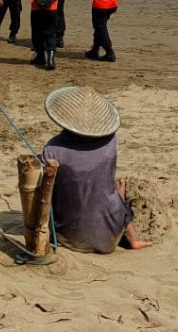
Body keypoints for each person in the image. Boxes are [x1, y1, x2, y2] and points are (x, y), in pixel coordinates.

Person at [40, 86, 150, 254]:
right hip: (110, 235)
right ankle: (133, 238)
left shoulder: (52, 149)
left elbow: (43, 191)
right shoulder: (111, 141)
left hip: (68, 238)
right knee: (116, 194)